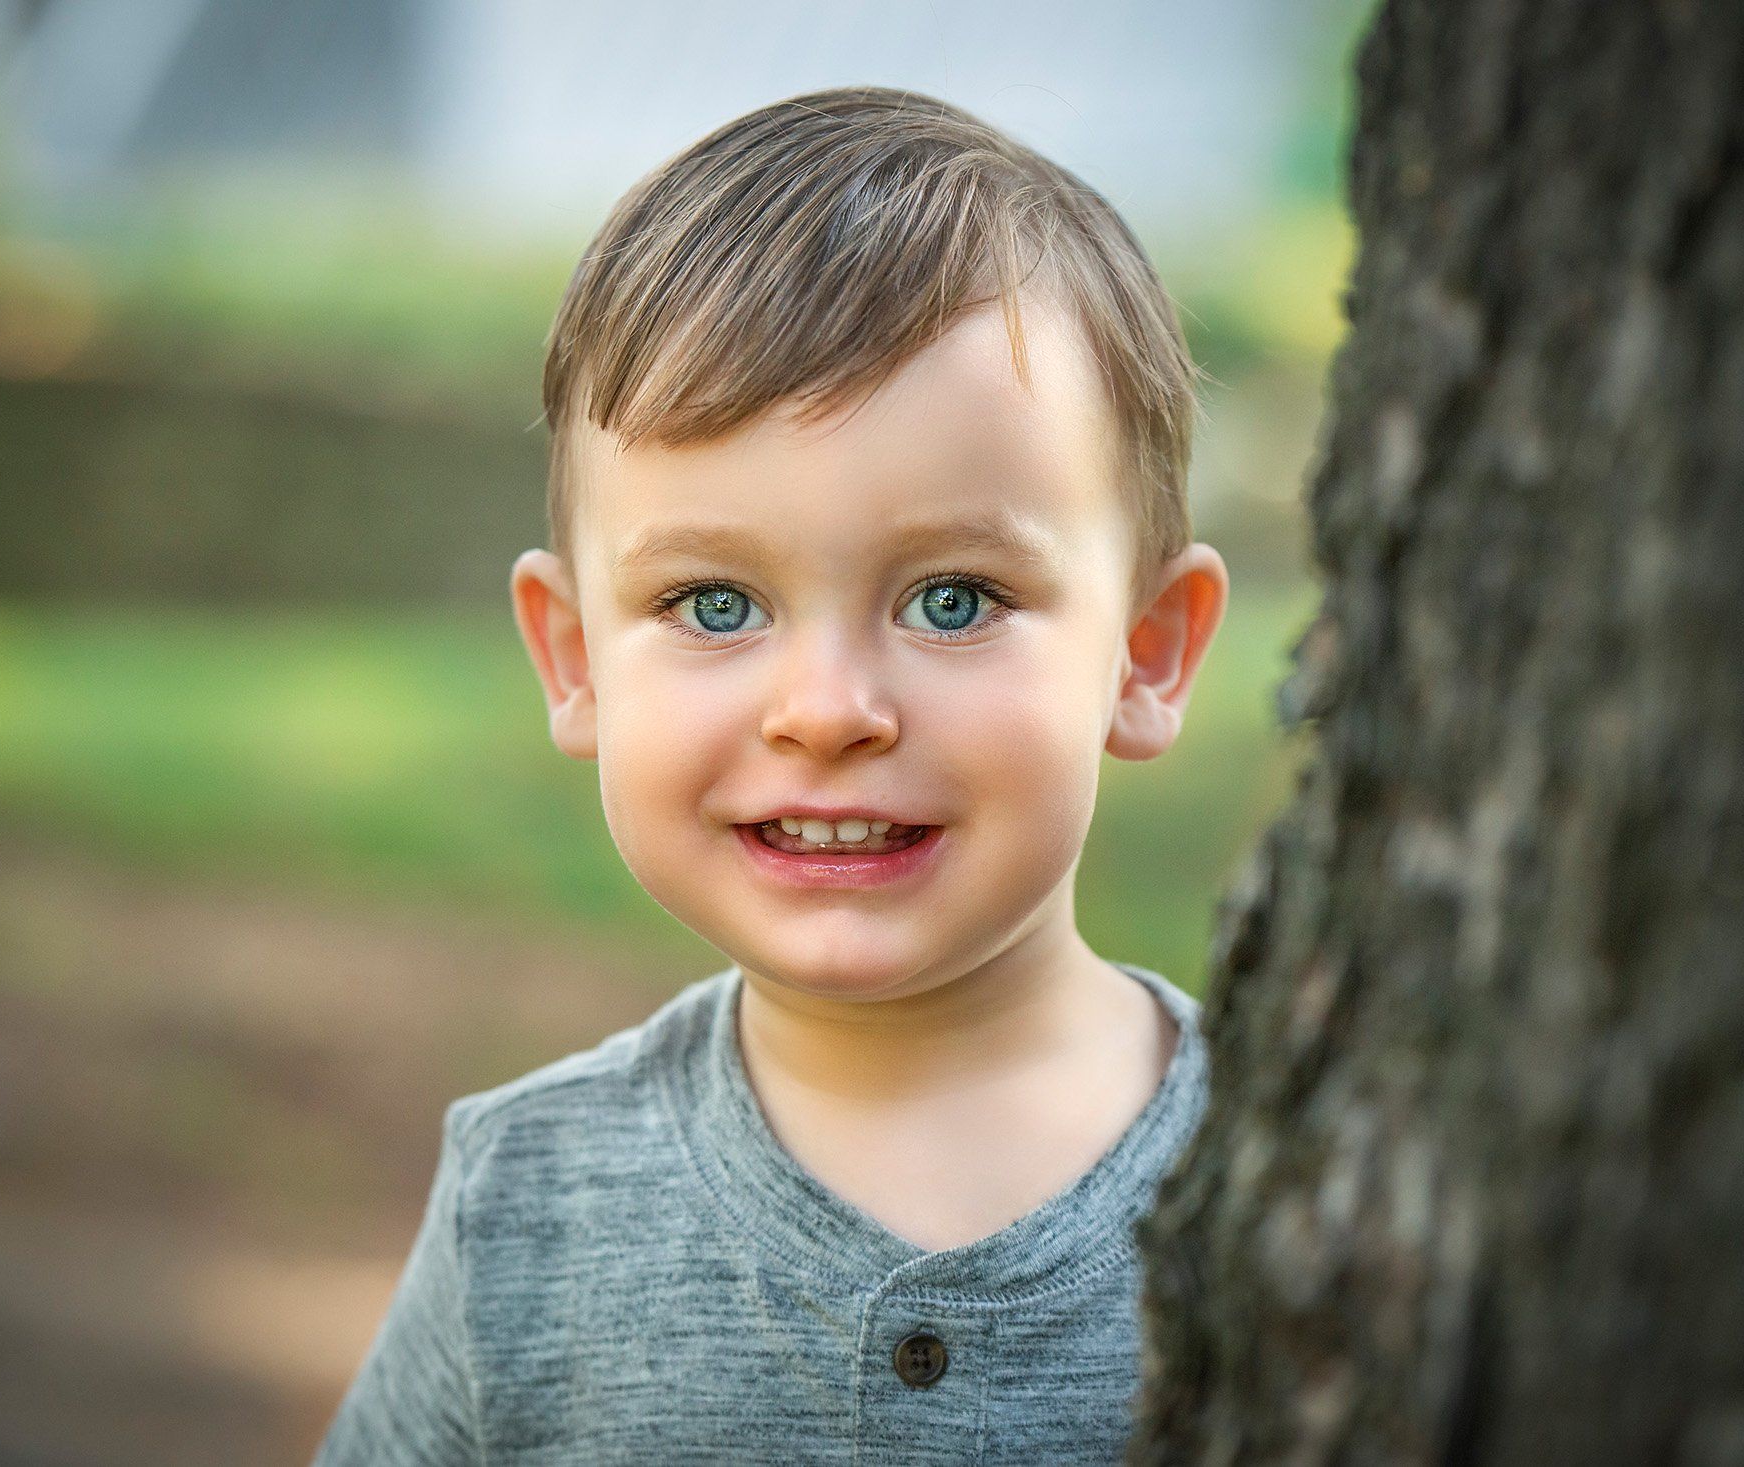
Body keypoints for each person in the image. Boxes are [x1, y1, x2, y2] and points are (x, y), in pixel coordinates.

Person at [313, 83, 1228, 1464]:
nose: (828, 712)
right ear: (574, 661)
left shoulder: (1299, 1189)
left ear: (1147, 654)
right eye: (718, 606)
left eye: (956, 600)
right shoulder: (526, 1206)